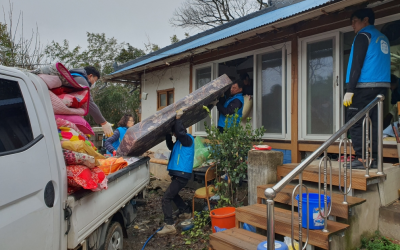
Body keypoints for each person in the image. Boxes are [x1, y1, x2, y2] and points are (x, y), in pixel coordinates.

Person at [343, 8, 391, 169]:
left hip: (364, 87)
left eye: (354, 21)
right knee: (375, 123)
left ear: (365, 20)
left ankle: (362, 158)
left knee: (355, 121)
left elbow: (357, 63)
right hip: (381, 88)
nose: (352, 25)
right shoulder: (382, 37)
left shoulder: (363, 36)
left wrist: (350, 90)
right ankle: (376, 159)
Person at [157, 109, 194, 235]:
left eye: (174, 133)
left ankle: (169, 225)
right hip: (179, 174)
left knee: (166, 198)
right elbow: (170, 146)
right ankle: (185, 211)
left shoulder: (187, 139)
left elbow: (180, 133)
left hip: (181, 174)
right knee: (173, 194)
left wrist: (178, 119)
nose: (174, 135)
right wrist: (167, 134)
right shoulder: (179, 142)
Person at [69, 66, 114, 137]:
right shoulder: (81, 80)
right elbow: (89, 102)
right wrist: (103, 122)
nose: (94, 84)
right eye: (95, 81)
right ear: (90, 76)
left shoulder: (73, 77)